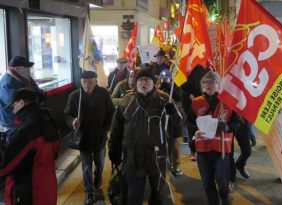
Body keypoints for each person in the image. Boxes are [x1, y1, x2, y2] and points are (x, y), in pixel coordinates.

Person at [109, 68, 185, 205]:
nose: (144, 83)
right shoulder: (127, 101)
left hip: (157, 157)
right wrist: (114, 149)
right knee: (134, 196)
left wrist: (174, 113)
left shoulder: (164, 99)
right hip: (133, 157)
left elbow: (179, 122)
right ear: (136, 83)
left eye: (147, 80)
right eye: (140, 80)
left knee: (157, 196)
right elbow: (116, 128)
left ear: (153, 83)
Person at [0, 88, 60, 205]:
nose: (13, 111)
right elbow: (55, 153)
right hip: (48, 190)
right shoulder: (49, 120)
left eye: (13, 106)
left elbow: (3, 168)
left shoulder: (25, 132)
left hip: (29, 195)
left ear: (21, 103)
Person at [188, 71, 239, 205]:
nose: (208, 84)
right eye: (205, 82)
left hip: (222, 148)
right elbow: (189, 123)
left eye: (211, 81)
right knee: (207, 181)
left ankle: (224, 196)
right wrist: (195, 131)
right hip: (203, 148)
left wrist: (227, 127)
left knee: (222, 181)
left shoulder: (227, 101)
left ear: (218, 83)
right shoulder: (196, 102)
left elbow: (236, 123)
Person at [64, 71, 115, 205]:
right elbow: (67, 115)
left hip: (99, 136)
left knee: (100, 163)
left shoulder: (103, 94)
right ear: (81, 82)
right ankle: (89, 192)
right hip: (83, 137)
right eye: (84, 82)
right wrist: (72, 121)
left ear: (96, 81)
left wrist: (106, 128)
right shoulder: (74, 96)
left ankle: (97, 179)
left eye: (91, 82)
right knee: (86, 166)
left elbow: (111, 112)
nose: (87, 85)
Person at [0, 56, 41, 140]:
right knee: (15, 145)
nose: (27, 69)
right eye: (25, 67)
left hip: (23, 119)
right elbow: (12, 104)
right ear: (17, 68)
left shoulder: (22, 78)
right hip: (11, 122)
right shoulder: (8, 82)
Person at [158, 69, 183, 176]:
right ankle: (166, 165)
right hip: (163, 122)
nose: (164, 80)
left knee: (175, 146)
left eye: (166, 78)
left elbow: (178, 97)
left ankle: (176, 166)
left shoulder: (175, 88)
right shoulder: (157, 89)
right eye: (162, 78)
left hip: (175, 122)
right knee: (165, 145)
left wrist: (168, 86)